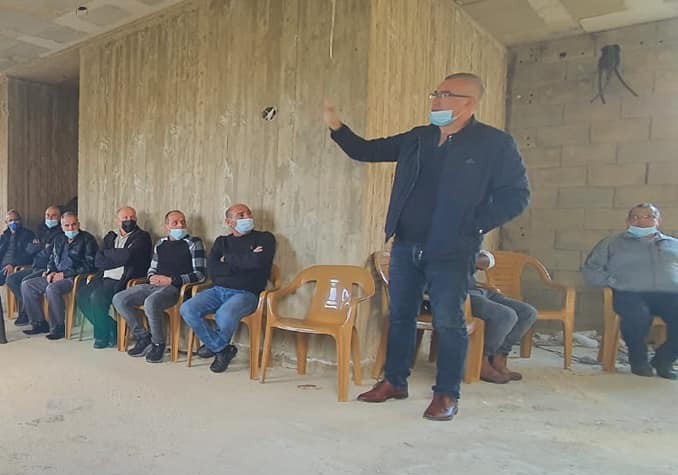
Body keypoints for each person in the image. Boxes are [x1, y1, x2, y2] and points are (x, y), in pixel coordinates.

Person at [325, 72, 530, 421]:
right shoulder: (418, 137)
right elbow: (366, 150)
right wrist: (335, 125)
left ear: (470, 103)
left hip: (452, 249)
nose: (436, 100)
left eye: (446, 94)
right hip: (406, 244)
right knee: (400, 317)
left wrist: (474, 224)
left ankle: (446, 394)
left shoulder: (495, 144)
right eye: (436, 92)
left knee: (448, 321)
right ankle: (394, 381)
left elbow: (517, 196)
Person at [582, 203, 678, 379]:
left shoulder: (673, 244)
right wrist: (614, 282)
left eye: (649, 217)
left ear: (658, 221)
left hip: (669, 294)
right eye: (635, 217)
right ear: (627, 222)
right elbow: (591, 270)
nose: (641, 221)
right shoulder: (612, 243)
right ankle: (638, 360)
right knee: (637, 315)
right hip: (629, 293)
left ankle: (664, 360)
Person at [180, 204, 276, 373]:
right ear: (229, 222)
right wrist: (246, 259)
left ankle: (215, 346)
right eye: (241, 215)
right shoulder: (221, 242)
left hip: (247, 293)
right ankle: (221, 348)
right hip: (218, 290)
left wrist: (227, 260)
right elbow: (213, 269)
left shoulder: (265, 238)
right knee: (187, 309)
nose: (247, 217)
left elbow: (258, 262)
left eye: (248, 213)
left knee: (223, 315)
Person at [115, 210, 207, 363]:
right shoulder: (160, 244)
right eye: (175, 223)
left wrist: (171, 280)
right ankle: (143, 337)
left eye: (182, 222)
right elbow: (152, 268)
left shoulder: (193, 243)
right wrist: (152, 277)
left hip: (176, 288)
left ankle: (158, 343)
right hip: (154, 285)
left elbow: (200, 274)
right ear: (167, 226)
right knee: (119, 299)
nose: (180, 225)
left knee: (151, 302)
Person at [76, 206, 152, 349]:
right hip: (104, 276)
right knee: (81, 295)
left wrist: (109, 255)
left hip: (123, 279)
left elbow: (129, 256)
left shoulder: (142, 237)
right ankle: (111, 327)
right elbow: (98, 260)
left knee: (97, 297)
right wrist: (118, 256)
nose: (129, 220)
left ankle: (101, 336)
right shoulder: (110, 237)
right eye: (125, 218)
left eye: (132, 217)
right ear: (118, 221)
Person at [20, 212, 98, 339]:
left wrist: (64, 274)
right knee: (27, 285)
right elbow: (52, 259)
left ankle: (58, 327)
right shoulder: (59, 239)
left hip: (74, 278)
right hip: (57, 275)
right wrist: (50, 271)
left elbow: (90, 265)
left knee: (52, 288)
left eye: (74, 225)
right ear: (62, 227)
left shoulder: (87, 239)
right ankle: (39, 323)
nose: (71, 228)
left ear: (78, 224)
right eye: (67, 225)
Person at [467, 250, 537, 383]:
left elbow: (489, 259)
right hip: (462, 293)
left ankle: (498, 357)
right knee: (506, 316)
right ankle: (481, 359)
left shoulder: (469, 241)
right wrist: (471, 260)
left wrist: (473, 259)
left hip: (479, 290)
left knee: (528, 312)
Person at [8, 205, 63, 326]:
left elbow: (49, 252)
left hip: (46, 268)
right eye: (47, 216)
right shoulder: (41, 229)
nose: (50, 218)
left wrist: (39, 246)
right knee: (11, 279)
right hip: (35, 265)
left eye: (53, 216)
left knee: (26, 282)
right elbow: (29, 249)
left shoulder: (61, 233)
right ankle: (28, 308)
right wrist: (43, 246)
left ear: (59, 218)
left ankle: (34, 318)